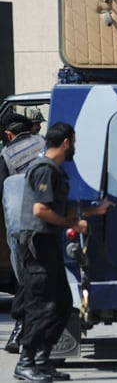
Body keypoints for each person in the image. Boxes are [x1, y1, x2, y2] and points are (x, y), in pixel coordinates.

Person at [13, 122, 113, 382]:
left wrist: (94, 211)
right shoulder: (45, 169)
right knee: (42, 305)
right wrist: (74, 224)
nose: (75, 148)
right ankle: (26, 362)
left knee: (60, 304)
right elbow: (41, 211)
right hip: (37, 245)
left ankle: (42, 361)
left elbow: (57, 210)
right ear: (66, 142)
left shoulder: (53, 170)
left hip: (47, 243)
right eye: (74, 142)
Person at [1, 113, 45, 354]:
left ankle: (21, 332)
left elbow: (3, 194)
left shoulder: (6, 155)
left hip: (20, 228)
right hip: (51, 222)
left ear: (9, 134)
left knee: (25, 279)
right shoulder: (44, 143)